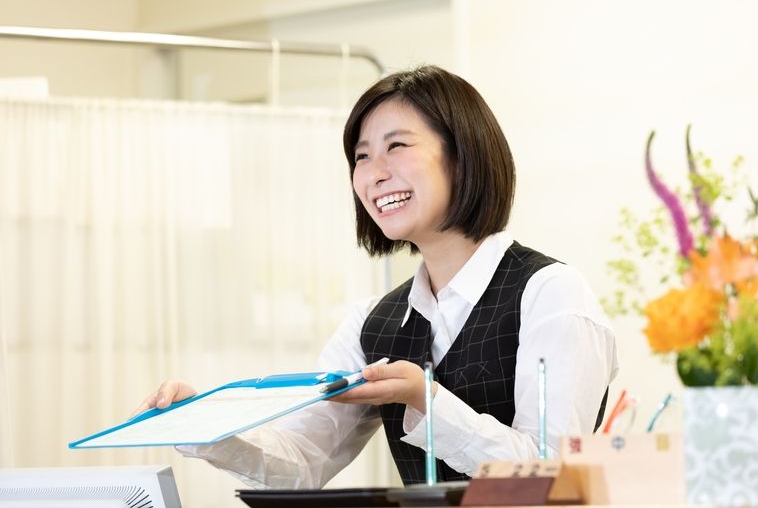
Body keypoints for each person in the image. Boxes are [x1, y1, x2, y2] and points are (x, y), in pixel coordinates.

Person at [132, 65, 618, 488]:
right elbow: (302, 462)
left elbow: (552, 476)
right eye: (361, 156)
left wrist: (424, 398)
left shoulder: (550, 293)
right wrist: (201, 426)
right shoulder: (374, 322)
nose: (373, 174)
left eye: (396, 146)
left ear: (463, 154)